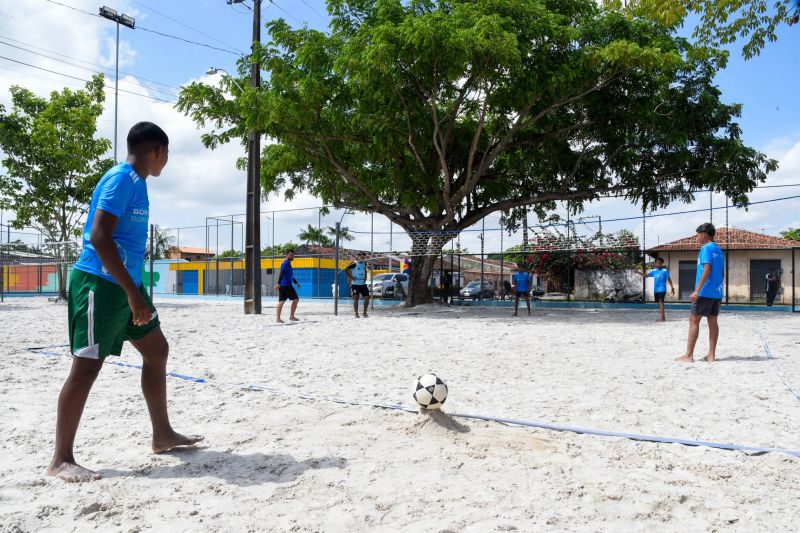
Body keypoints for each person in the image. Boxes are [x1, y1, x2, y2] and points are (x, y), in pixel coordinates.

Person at [47, 122, 202, 483]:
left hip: (124, 285)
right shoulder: (121, 179)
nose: (167, 161)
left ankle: (162, 435)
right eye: (168, 154)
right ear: (158, 151)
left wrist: (133, 289)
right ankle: (60, 459)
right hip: (98, 285)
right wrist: (133, 293)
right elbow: (100, 237)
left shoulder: (138, 182)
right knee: (86, 367)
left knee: (157, 350)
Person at [677, 223, 724, 363]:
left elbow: (707, 269)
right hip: (717, 292)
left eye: (697, 235)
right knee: (713, 321)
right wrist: (719, 288)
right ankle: (711, 355)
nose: (696, 238)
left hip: (704, 291)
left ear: (703, 234)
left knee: (694, 320)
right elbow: (721, 273)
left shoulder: (705, 248)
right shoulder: (719, 249)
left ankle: (688, 356)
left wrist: (697, 290)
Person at [637, 257, 675, 321]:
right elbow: (646, 275)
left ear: (662, 263)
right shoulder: (654, 271)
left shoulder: (664, 271)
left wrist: (672, 288)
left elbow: (669, 279)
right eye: (657, 262)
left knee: (661, 302)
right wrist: (638, 272)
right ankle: (663, 318)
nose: (658, 264)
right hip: (656, 290)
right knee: (659, 303)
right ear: (655, 263)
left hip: (662, 289)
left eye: (659, 263)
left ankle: (662, 319)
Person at [274, 249, 301, 323]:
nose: (292, 256)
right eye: (291, 255)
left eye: (293, 255)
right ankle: (291, 316)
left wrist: (296, 282)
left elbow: (291, 275)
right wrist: (278, 283)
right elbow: (281, 273)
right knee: (296, 299)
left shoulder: (288, 264)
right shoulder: (285, 263)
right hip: (286, 286)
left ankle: (278, 319)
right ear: (287, 255)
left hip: (284, 286)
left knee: (281, 301)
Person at [345, 252, 370, 318]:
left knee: (367, 297)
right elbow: (346, 269)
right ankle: (356, 314)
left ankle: (364, 313)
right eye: (362, 256)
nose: (363, 257)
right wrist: (351, 277)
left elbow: (365, 270)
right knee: (356, 298)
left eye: (364, 256)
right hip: (355, 284)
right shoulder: (354, 263)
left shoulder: (364, 263)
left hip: (363, 284)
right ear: (358, 256)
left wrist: (365, 277)